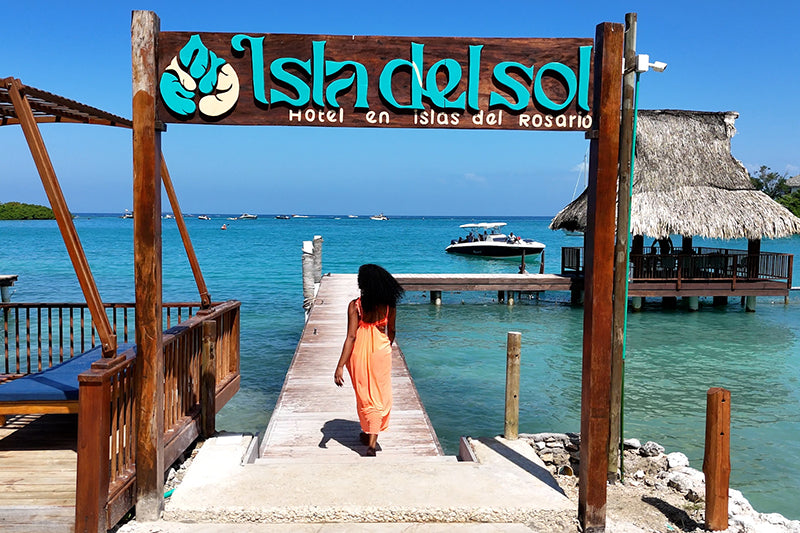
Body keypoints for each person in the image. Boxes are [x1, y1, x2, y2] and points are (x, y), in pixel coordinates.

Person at [334, 264, 404, 456]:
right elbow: (392, 331)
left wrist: (340, 365)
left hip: (359, 352)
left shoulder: (355, 305)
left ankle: (371, 441)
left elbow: (351, 337)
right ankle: (370, 435)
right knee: (379, 394)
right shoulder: (389, 304)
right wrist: (385, 346)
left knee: (365, 394)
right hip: (381, 350)